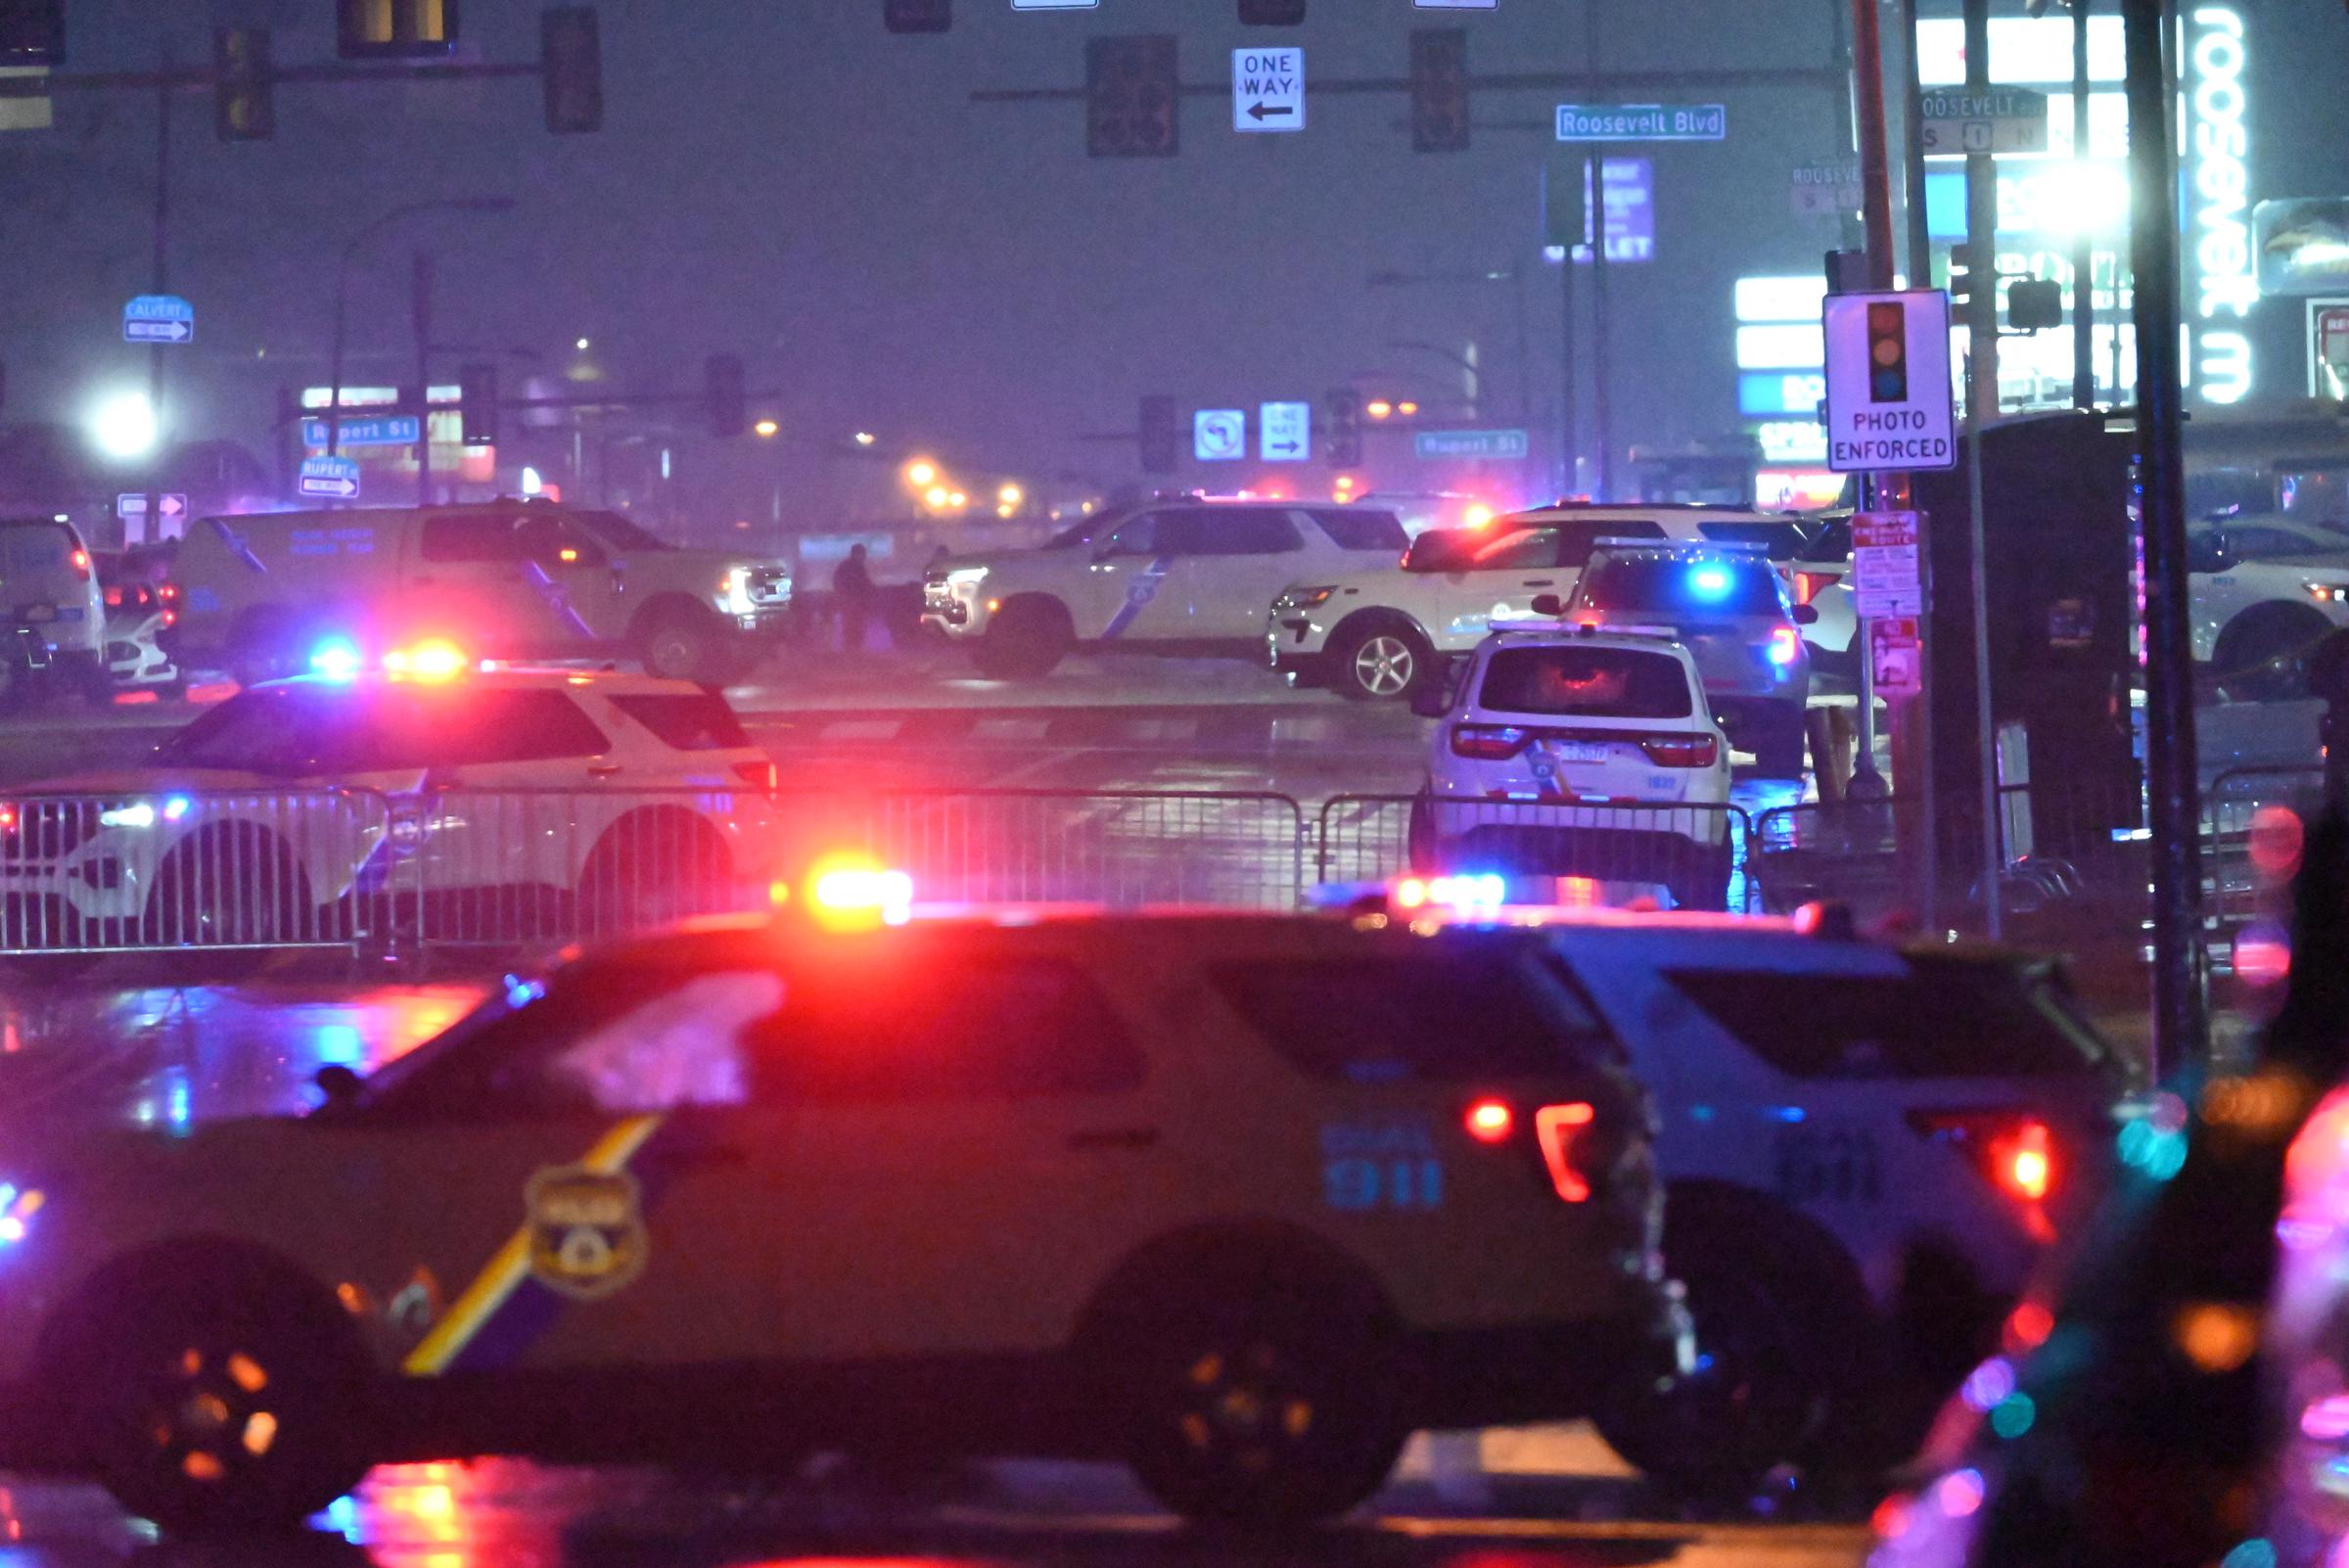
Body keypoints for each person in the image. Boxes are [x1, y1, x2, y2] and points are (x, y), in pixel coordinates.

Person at [832, 542, 875, 653]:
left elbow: (865, 584)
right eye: (862, 554)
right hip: (851, 605)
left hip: (854, 605)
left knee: (855, 629)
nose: (865, 557)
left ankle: (854, 652)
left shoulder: (855, 567)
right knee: (852, 629)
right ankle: (852, 653)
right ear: (856, 554)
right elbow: (860, 584)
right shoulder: (850, 567)